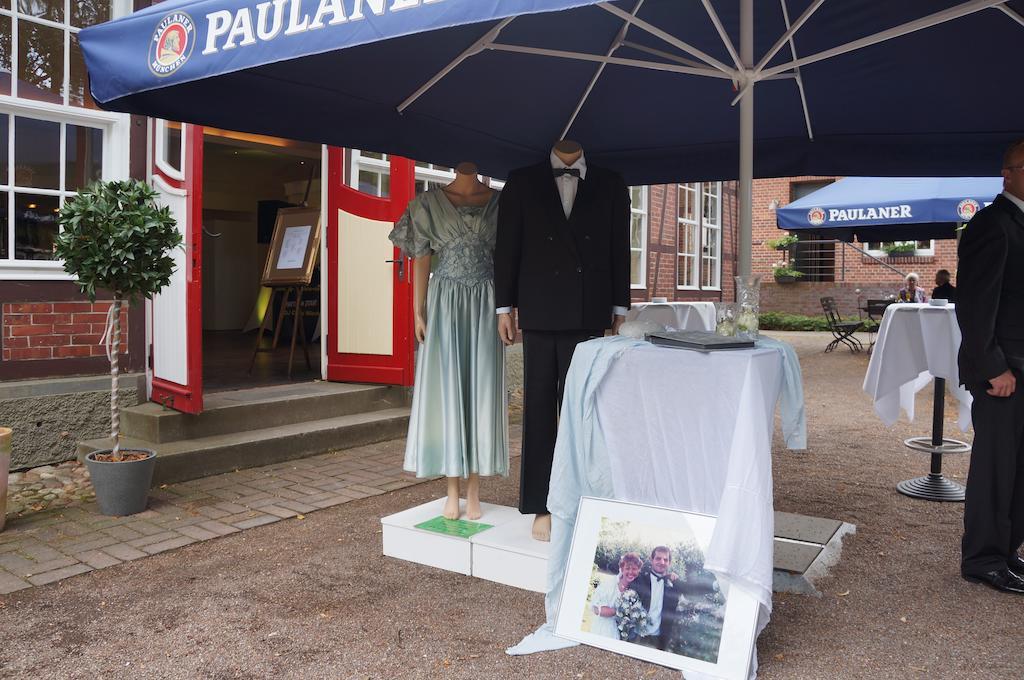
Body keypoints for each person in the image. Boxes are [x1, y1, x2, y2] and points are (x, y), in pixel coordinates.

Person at [494, 140, 631, 541]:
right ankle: (541, 504)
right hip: (537, 310)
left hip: (589, 310)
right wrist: (505, 307)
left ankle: (585, 497)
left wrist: (620, 306)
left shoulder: (611, 183)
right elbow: (507, 249)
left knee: (583, 411)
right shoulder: (520, 183)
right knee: (538, 410)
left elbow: (618, 247)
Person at [388, 162, 508, 521]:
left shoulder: (502, 203)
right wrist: (418, 310)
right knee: (449, 391)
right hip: (444, 305)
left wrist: (508, 309)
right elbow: (421, 258)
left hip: (486, 304)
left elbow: (506, 260)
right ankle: (451, 489)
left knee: (479, 391)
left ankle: (474, 489)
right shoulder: (426, 203)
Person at [957, 138, 1024, 595]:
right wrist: (993, 367)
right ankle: (983, 558)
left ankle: (1007, 549)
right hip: (1003, 372)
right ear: (1009, 172)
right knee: (996, 469)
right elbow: (976, 306)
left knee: (1020, 469)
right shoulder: (992, 225)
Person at [630, 546, 682, 650]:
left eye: (665, 559)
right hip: (636, 635)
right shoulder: (639, 580)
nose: (662, 562)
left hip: (658, 640)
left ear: (669, 563)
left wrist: (676, 581)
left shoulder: (673, 585)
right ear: (651, 560)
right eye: (658, 558)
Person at [589, 552, 643, 640]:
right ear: (621, 568)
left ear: (638, 570)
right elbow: (596, 609)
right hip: (604, 629)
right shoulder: (609, 584)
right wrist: (622, 610)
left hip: (621, 632)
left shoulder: (635, 588)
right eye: (627, 568)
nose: (630, 572)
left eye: (634, 569)